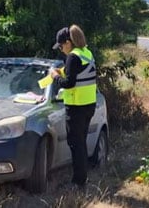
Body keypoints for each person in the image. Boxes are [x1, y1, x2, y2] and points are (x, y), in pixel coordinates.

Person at [49, 24, 97, 188]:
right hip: (89, 105)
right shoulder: (86, 53)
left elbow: (68, 83)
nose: (61, 49)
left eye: (61, 46)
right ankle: (81, 178)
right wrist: (63, 72)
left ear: (69, 42)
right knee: (81, 142)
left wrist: (55, 76)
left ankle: (78, 181)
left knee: (76, 144)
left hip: (76, 107)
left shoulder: (72, 57)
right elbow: (79, 74)